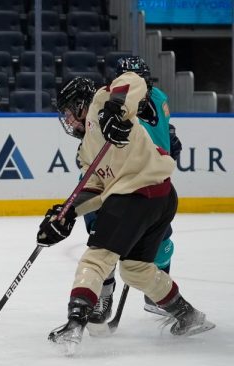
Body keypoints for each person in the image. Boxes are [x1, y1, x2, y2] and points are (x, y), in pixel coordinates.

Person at [41, 74, 214, 352]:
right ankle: (188, 315)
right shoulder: (86, 151)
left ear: (81, 103)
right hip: (159, 198)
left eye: (69, 112)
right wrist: (67, 213)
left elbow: (133, 81)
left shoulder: (102, 101)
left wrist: (114, 110)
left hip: (139, 196)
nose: (68, 120)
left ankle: (74, 325)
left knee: (96, 259)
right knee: (136, 270)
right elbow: (94, 188)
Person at [86, 56, 184, 328]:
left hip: (150, 182)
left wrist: (171, 142)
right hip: (117, 182)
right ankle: (104, 292)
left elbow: (165, 132)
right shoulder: (114, 102)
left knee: (160, 239)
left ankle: (157, 294)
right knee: (100, 232)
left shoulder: (156, 97)